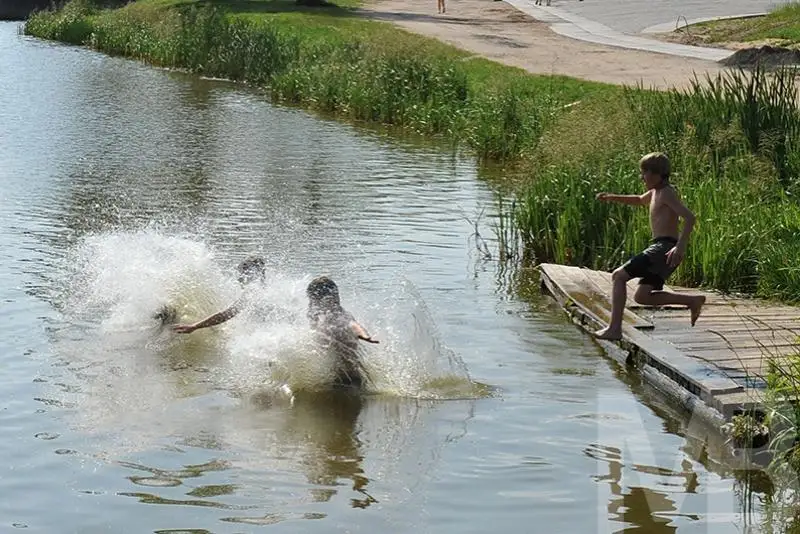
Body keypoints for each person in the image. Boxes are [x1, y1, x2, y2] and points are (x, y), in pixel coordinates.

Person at [593, 152, 705, 341]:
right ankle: (692, 301)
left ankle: (614, 329)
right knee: (642, 297)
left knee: (619, 276)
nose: (642, 177)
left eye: (644, 173)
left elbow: (689, 217)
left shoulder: (667, 193)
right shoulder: (655, 192)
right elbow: (638, 200)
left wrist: (680, 246)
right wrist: (612, 197)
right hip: (663, 248)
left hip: (664, 247)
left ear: (656, 174)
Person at [306, 275, 378, 389]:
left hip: (346, 378)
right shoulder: (331, 313)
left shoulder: (336, 315)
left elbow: (353, 325)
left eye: (312, 300)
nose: (310, 303)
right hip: (350, 376)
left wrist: (364, 335)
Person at [171, 256, 268, 334]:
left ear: (249, 274)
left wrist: (195, 326)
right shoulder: (266, 290)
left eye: (241, 274)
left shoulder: (252, 293)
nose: (239, 279)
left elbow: (227, 314)